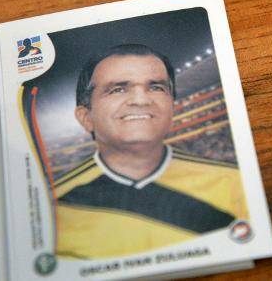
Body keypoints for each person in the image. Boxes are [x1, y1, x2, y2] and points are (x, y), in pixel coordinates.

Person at [54, 44, 246, 259]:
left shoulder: (237, 184)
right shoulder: (54, 208)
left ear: (172, 107)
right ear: (86, 117)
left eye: (156, 87)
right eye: (118, 89)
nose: (141, 100)